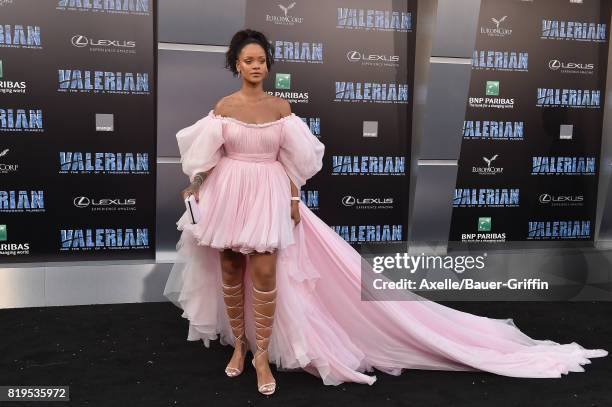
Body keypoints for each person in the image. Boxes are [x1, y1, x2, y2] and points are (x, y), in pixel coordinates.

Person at [164, 28, 608, 396]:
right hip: (229, 193)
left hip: (268, 194)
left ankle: (262, 356)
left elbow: (295, 161)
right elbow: (207, 157)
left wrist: (295, 200)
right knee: (228, 269)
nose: (256, 65)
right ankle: (238, 347)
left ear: (268, 64)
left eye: (262, 59)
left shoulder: (282, 108)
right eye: (248, 60)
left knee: (263, 274)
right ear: (236, 65)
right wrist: (196, 185)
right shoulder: (223, 107)